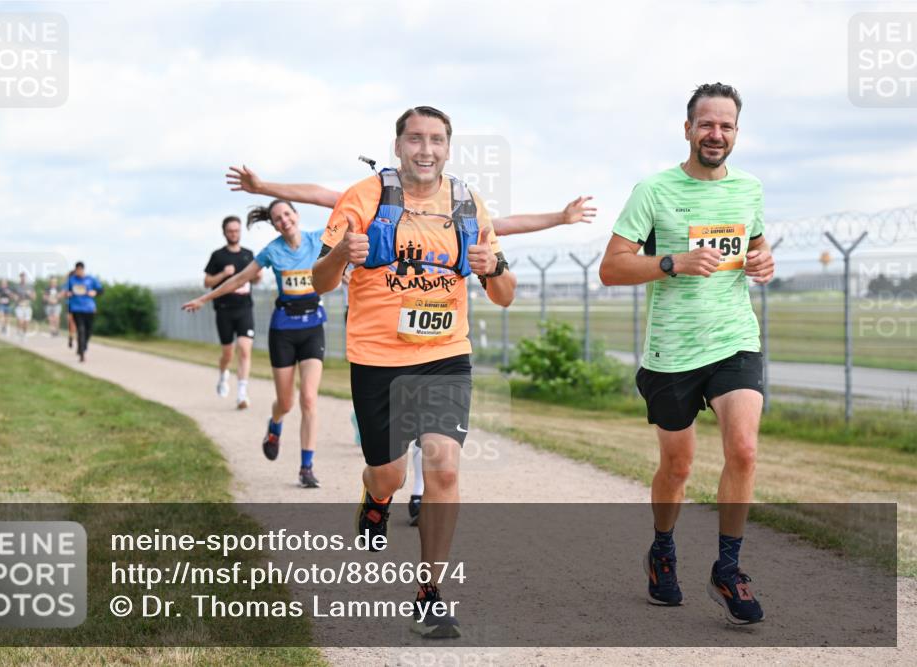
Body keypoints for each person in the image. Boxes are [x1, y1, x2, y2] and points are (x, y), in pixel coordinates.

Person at [226, 163, 597, 525]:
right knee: (387, 458)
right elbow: (322, 195)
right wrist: (263, 188)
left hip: (437, 344)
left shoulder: (451, 215)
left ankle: (421, 493)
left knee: (435, 435)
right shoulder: (372, 204)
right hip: (379, 340)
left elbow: (504, 225)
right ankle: (383, 485)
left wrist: (560, 218)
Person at [312, 106, 516, 638]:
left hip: (446, 352)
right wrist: (340, 256)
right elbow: (319, 282)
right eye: (415, 139)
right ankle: (376, 497)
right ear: (398, 144)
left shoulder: (468, 204)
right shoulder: (364, 197)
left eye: (436, 140)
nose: (426, 150)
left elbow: (504, 295)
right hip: (378, 357)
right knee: (392, 474)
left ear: (448, 148)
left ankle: (430, 591)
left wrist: (495, 268)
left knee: (443, 465)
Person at [599, 83, 774, 625]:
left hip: (734, 340)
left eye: (725, 125)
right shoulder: (653, 191)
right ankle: (663, 549)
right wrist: (671, 261)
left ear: (736, 133)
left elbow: (756, 245)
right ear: (688, 129)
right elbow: (611, 268)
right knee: (677, 467)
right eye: (706, 124)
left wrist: (761, 263)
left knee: (743, 449)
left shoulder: (750, 189)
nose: (715, 134)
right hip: (672, 352)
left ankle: (728, 568)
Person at [184, 201, 327, 489]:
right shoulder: (272, 251)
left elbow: (350, 238)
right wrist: (204, 299)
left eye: (287, 214)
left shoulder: (318, 239)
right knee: (286, 402)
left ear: (296, 216)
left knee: (309, 399)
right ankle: (274, 425)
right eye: (277, 218)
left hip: (313, 328)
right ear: (274, 225)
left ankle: (306, 467)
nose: (284, 220)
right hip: (284, 332)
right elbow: (238, 278)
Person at [203, 215, 258, 409]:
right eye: (230, 231)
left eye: (237, 230)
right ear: (224, 232)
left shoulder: (248, 255)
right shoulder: (218, 256)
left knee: (244, 349)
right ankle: (223, 374)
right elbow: (207, 282)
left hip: (245, 308)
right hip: (224, 310)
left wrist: (258, 276)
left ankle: (242, 394)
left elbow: (256, 280)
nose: (234, 233)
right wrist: (223, 275)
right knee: (228, 353)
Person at [64, 262, 103, 362]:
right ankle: (82, 353)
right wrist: (67, 293)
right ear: (75, 270)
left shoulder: (90, 279)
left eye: (80, 270)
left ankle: (83, 346)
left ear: (83, 270)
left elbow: (101, 290)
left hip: (89, 308)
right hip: (76, 308)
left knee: (89, 331)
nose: (79, 272)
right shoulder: (71, 280)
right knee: (81, 329)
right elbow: (64, 291)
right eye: (77, 270)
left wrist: (95, 292)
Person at [14, 272, 35, 339]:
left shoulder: (30, 286)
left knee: (26, 322)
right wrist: (16, 298)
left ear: (26, 278)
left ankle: (24, 334)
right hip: (19, 306)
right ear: (20, 278)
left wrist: (29, 294)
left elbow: (34, 297)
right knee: (20, 321)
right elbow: (14, 296)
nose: (23, 278)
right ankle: (19, 332)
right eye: (21, 277)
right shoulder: (17, 286)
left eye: (24, 277)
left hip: (27, 307)